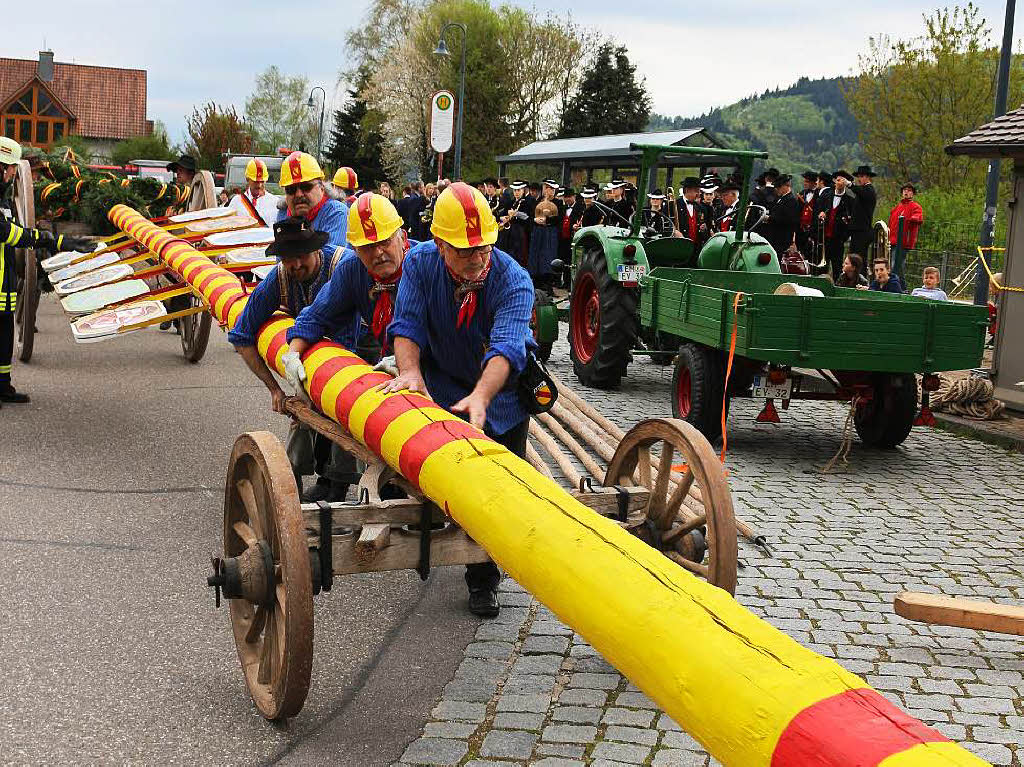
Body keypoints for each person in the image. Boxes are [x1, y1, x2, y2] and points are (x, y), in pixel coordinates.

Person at [381, 182, 535, 618]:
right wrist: (409, 371)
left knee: (495, 487)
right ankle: (428, 518)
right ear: (439, 244)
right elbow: (406, 322)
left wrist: (482, 397)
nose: (477, 258)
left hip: (501, 398)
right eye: (465, 251)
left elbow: (507, 345)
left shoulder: (514, 280)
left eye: (484, 248)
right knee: (443, 473)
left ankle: (483, 579)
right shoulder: (419, 264)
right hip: (443, 384)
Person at [226, 215, 358, 501]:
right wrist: (274, 388)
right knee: (302, 419)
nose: (296, 265)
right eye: (288, 258)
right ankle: (292, 487)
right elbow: (241, 335)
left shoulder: (344, 266)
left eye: (301, 256)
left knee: (349, 417)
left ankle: (336, 487)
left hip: (359, 350)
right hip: (309, 357)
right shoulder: (279, 277)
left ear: (315, 249)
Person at [0, 137, 91, 404]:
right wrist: (54, 240)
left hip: (4, 282)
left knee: (5, 335)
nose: (13, 174)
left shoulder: (3, 199)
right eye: (10, 169)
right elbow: (10, 233)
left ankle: (3, 386)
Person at [285, 192, 409, 377]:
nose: (378, 253)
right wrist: (292, 355)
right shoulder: (352, 269)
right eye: (367, 247)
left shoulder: (423, 266)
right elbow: (316, 316)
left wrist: (410, 359)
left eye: (385, 241)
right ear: (356, 250)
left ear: (403, 238)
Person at [279, 152, 348, 253]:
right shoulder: (282, 214)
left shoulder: (336, 212)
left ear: (321, 188)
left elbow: (329, 261)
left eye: (306, 187)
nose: (299, 194)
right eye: (291, 189)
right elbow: (281, 261)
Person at [816, 170, 858, 280]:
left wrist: (843, 238)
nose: (840, 183)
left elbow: (851, 222)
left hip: (838, 240)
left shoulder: (850, 201)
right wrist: (820, 214)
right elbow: (817, 211)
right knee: (821, 268)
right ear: (834, 181)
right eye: (838, 180)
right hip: (824, 238)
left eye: (843, 181)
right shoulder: (825, 196)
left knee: (837, 268)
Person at [228, 158, 279, 226]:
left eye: (262, 181)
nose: (259, 185)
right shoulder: (236, 202)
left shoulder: (275, 202)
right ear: (247, 179)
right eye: (256, 182)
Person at [529, 181, 560, 286]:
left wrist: (547, 221)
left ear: (553, 190)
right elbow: (530, 216)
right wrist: (535, 220)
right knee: (536, 256)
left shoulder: (558, 202)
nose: (546, 190)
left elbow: (559, 219)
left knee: (548, 256)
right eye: (545, 188)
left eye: (549, 188)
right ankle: (536, 280)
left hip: (550, 233)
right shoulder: (536, 201)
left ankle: (548, 282)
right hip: (538, 232)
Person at [763, 174, 800, 257]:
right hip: (775, 236)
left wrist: (770, 218)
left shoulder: (791, 200)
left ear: (786, 186)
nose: (777, 189)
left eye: (779, 187)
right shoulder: (780, 199)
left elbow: (789, 220)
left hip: (782, 237)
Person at [848, 165, 877, 260]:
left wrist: (850, 185)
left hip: (863, 231)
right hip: (857, 230)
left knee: (860, 259)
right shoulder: (862, 191)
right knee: (854, 257)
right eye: (858, 176)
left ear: (868, 177)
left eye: (861, 176)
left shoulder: (869, 190)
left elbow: (860, 192)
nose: (859, 179)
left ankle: (861, 275)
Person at [889, 183, 924, 252]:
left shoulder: (916, 207)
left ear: (913, 194)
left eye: (909, 190)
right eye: (904, 190)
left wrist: (914, 218)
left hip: (904, 242)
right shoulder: (897, 207)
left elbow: (918, 216)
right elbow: (890, 223)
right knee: (891, 262)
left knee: (897, 262)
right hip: (892, 241)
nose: (906, 191)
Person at [676, 177, 710, 249]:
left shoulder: (702, 208)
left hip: (696, 249)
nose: (699, 194)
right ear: (687, 190)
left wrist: (703, 229)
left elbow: (706, 232)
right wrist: (674, 231)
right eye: (696, 191)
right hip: (678, 246)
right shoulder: (674, 205)